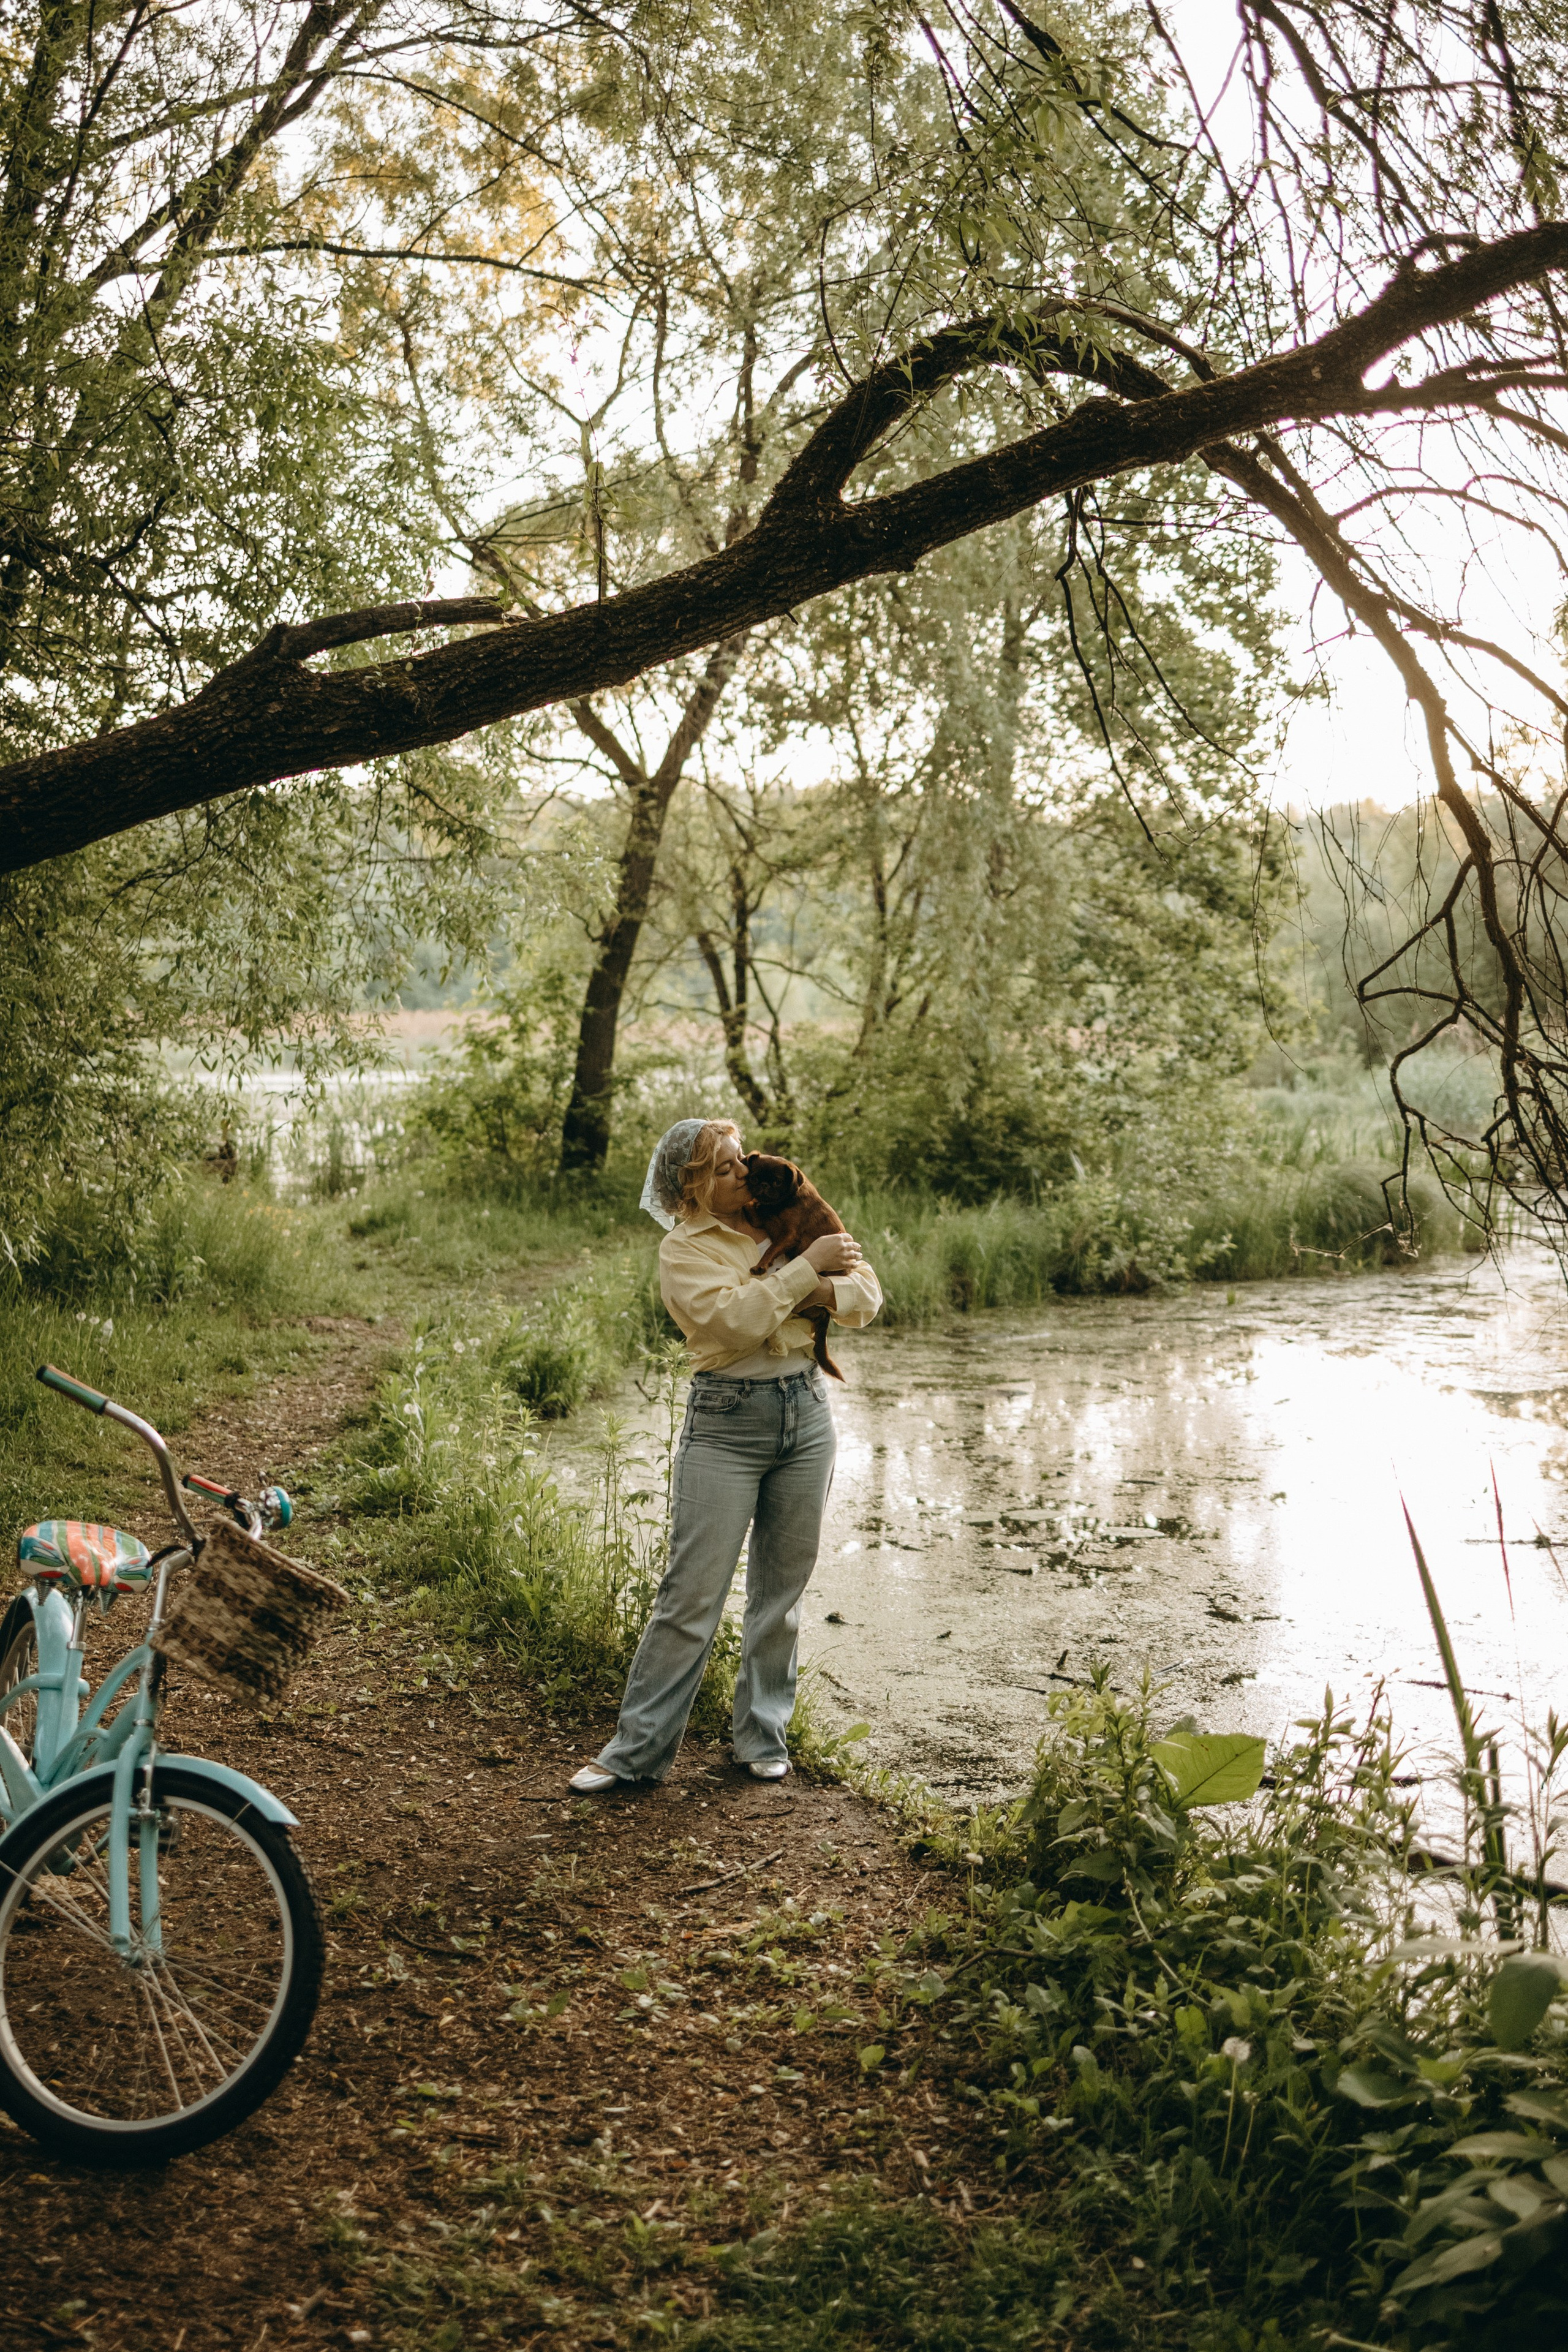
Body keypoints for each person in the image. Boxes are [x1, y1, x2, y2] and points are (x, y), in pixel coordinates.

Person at [568, 1119, 881, 1791]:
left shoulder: (786, 1209)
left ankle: (762, 1737)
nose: (744, 1173)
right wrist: (809, 1271)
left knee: (781, 1594)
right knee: (690, 1596)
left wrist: (804, 1283)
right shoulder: (683, 1250)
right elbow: (735, 1324)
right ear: (690, 1187)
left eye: (740, 1161)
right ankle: (634, 1754)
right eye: (723, 1168)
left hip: (807, 1414)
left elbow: (866, 1297)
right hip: (726, 1424)